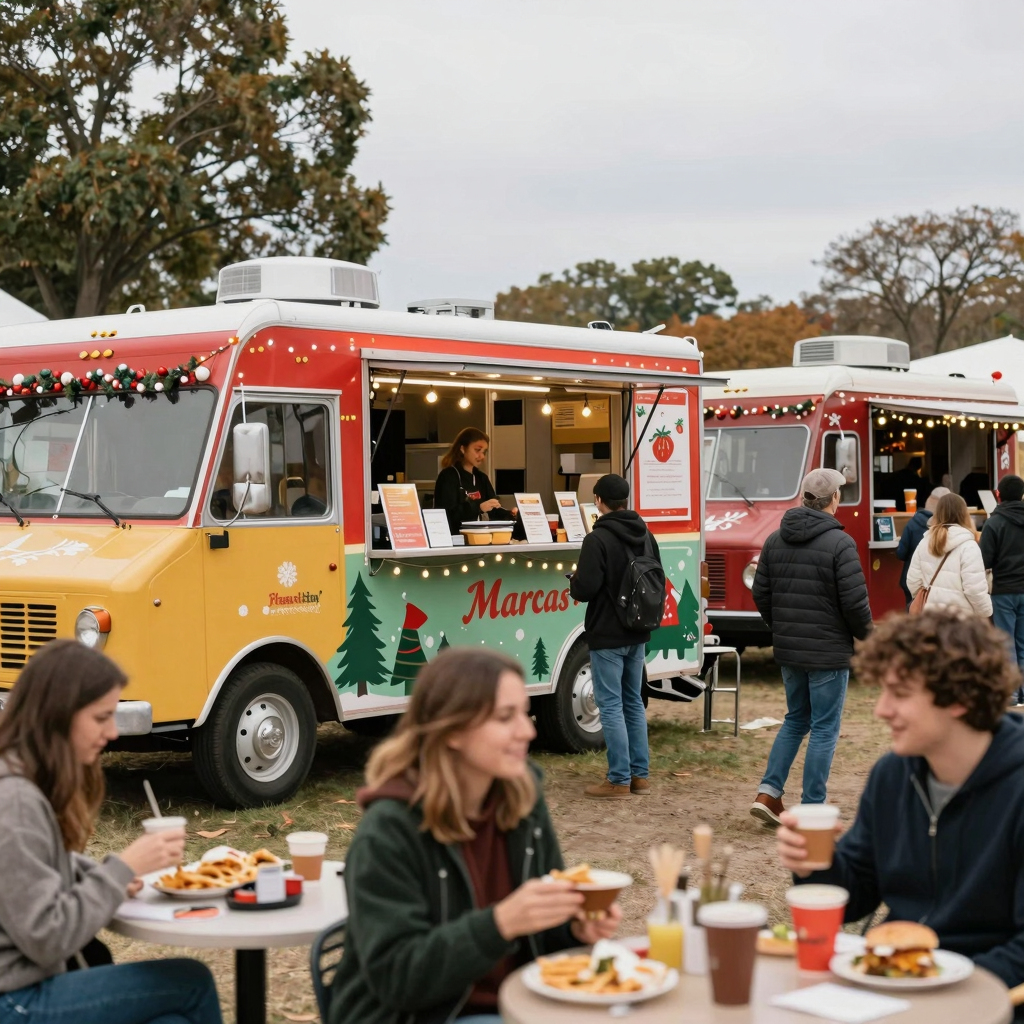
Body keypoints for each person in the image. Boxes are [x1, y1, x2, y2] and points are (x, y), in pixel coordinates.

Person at [328, 648, 621, 1024]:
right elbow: (396, 977)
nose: (528, 730)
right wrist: (499, 924)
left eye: (524, 711)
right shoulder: (388, 831)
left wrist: (576, 929)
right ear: (451, 730)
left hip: (521, 1004)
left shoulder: (522, 798)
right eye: (505, 717)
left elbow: (545, 934)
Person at [776, 609, 1024, 1012]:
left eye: (901, 694)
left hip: (986, 1002)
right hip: (891, 987)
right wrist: (813, 866)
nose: (882, 710)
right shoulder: (893, 775)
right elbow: (854, 898)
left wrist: (936, 993)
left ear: (959, 698)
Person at [0, 640, 223, 1024]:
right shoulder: (15, 798)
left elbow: (33, 866)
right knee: (193, 981)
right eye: (101, 718)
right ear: (58, 714)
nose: (113, 732)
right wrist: (122, 869)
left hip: (28, 988)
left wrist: (102, 874)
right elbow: (46, 937)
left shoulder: (25, 779)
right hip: (17, 1000)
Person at [749, 467, 871, 826]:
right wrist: (869, 638)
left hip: (790, 649)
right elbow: (854, 603)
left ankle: (769, 792)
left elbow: (760, 593)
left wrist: (780, 627)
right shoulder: (840, 543)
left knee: (795, 719)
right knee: (823, 727)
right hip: (828, 651)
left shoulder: (774, 540)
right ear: (834, 499)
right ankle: (813, 806)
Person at [569, 473, 658, 800]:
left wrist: (573, 583)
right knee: (632, 701)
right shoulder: (645, 533)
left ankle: (618, 779)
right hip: (637, 629)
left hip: (607, 631)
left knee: (610, 704)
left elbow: (587, 587)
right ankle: (640, 776)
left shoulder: (597, 539)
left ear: (599, 501)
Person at [906, 492, 991, 617]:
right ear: (963, 513)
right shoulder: (969, 545)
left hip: (930, 617)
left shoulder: (925, 542)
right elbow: (974, 589)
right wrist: (986, 612)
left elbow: (913, 581)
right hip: (961, 620)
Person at [981, 474, 1024, 706]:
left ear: (998, 495)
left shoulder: (994, 523)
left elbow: (984, 560)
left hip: (1003, 591)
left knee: (1006, 642)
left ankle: (1011, 693)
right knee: (1023, 642)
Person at [433, 427, 515, 535]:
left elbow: (494, 509)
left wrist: (511, 514)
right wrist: (478, 507)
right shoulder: (448, 476)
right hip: (454, 540)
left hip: (480, 539)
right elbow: (448, 514)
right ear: (462, 449)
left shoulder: (482, 478)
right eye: (477, 450)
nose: (481, 456)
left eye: (484, 452)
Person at [895, 485, 949, 607]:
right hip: (935, 584)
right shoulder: (947, 527)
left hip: (912, 581)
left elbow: (901, 553)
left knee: (913, 617)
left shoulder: (913, 522)